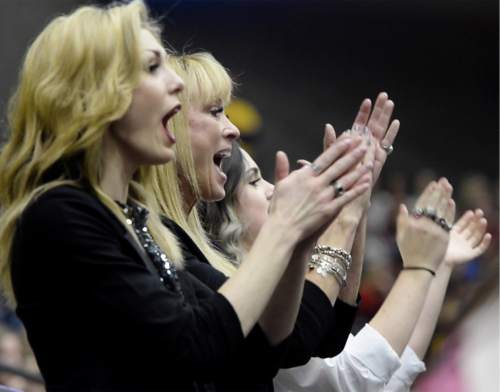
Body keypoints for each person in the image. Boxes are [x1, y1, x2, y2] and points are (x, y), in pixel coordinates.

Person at [0, 2, 372, 391]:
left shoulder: (133, 220)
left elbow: (261, 352)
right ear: (97, 94)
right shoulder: (61, 214)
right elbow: (192, 346)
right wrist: (285, 227)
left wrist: (298, 242)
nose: (175, 83)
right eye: (152, 67)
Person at [202, 142, 491, 391]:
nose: (273, 189)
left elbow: (391, 375)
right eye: (254, 181)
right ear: (222, 212)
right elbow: (356, 378)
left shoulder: (272, 278)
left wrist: (438, 265)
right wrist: (418, 268)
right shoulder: (240, 293)